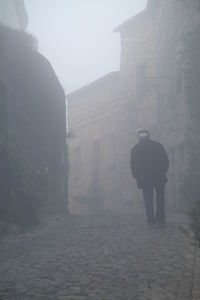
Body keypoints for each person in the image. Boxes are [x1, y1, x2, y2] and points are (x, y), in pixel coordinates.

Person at [130, 130, 169, 227]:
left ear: (139, 138)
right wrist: (163, 171)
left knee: (148, 199)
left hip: (145, 178)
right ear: (149, 136)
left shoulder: (135, 149)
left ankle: (151, 219)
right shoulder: (158, 146)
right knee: (160, 198)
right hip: (159, 176)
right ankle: (160, 218)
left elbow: (134, 165)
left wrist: (137, 176)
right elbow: (165, 160)